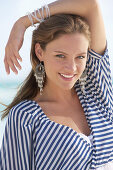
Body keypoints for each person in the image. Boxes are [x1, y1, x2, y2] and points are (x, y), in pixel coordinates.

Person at [0, 0, 113, 169]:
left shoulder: (97, 90)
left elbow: (91, 5)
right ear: (40, 52)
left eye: (80, 57)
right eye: (60, 56)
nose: (72, 68)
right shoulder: (25, 116)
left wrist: (23, 22)